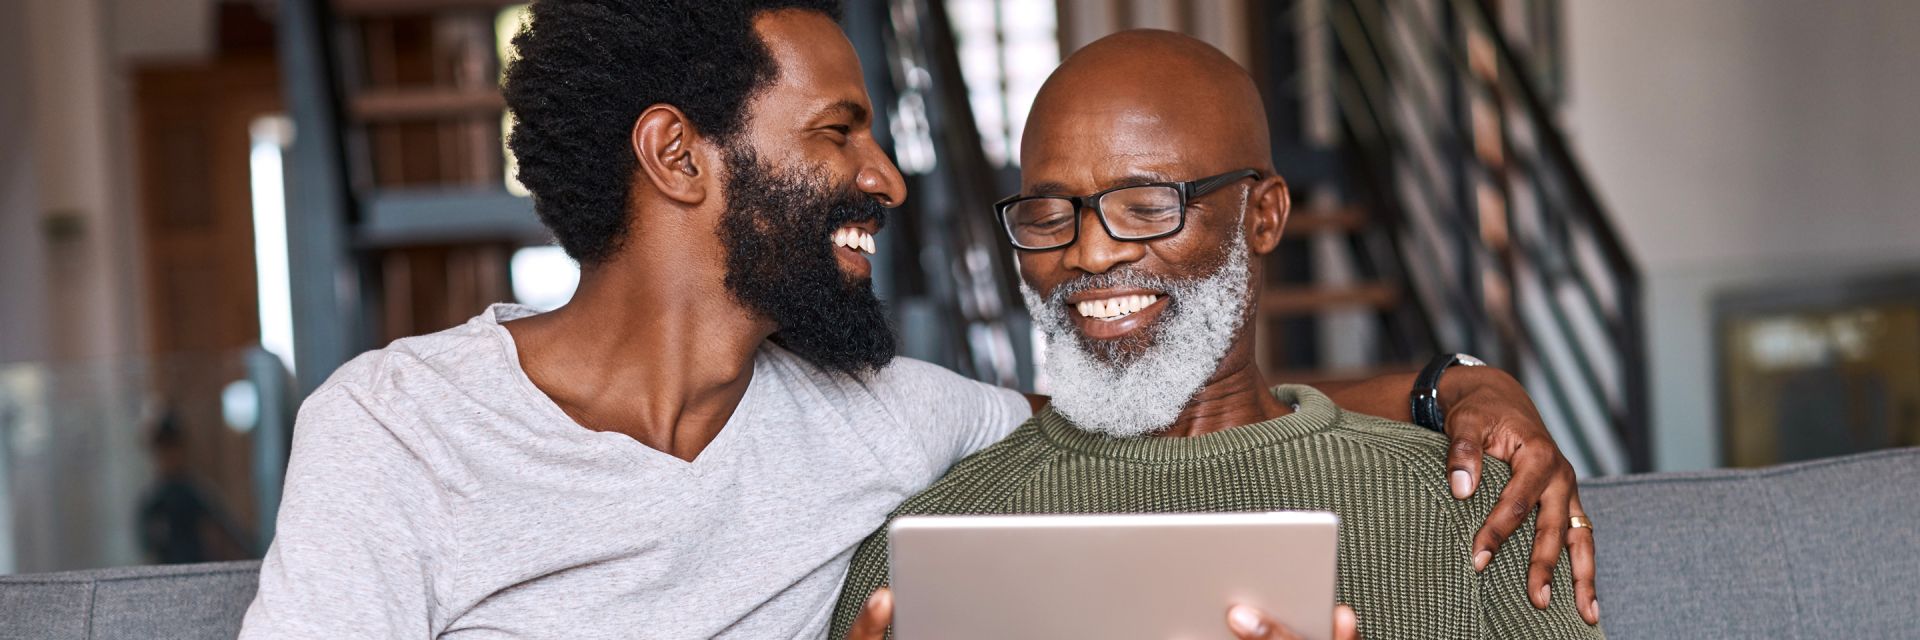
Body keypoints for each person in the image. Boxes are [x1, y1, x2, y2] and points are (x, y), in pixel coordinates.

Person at [240, 2, 1592, 637]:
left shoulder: (902, 430)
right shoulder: (394, 431)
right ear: (679, 157)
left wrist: (1450, 389)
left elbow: (1155, 401)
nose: (888, 179)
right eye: (839, 133)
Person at [829, 30, 1601, 640]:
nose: (1090, 253)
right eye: (1049, 213)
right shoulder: (928, 547)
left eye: (1145, 204)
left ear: (1262, 216)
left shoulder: (1479, 509)